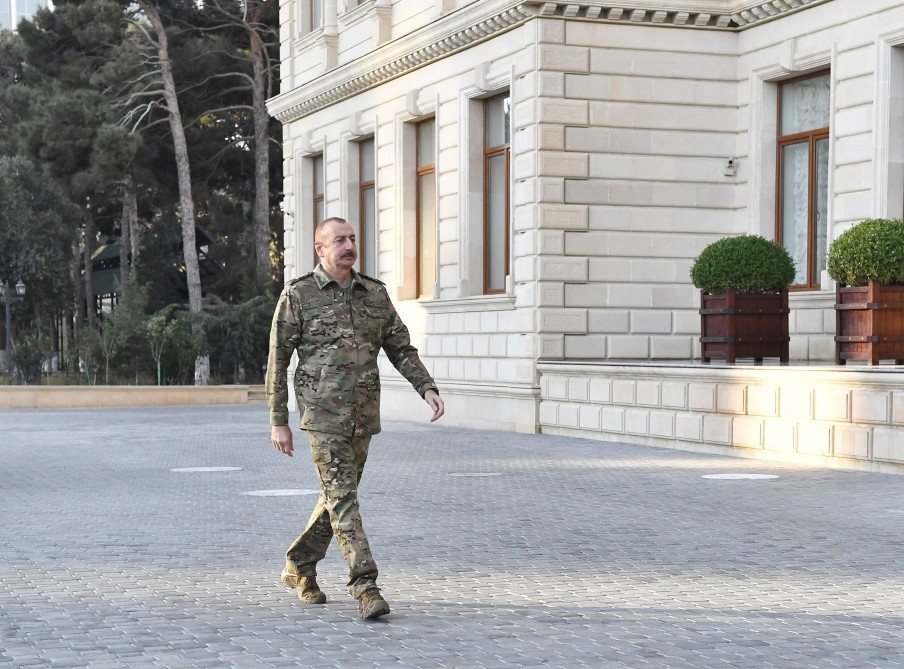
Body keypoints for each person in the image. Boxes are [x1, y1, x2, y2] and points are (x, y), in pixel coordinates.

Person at [266, 216, 444, 619]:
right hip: (323, 416)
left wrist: (426, 387)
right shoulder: (298, 294)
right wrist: (279, 420)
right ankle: (365, 586)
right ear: (320, 248)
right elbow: (278, 362)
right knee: (344, 500)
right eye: (339, 240)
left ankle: (299, 565)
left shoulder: (374, 294)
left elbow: (401, 347)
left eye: (352, 238)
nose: (349, 245)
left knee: (336, 499)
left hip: (363, 416)